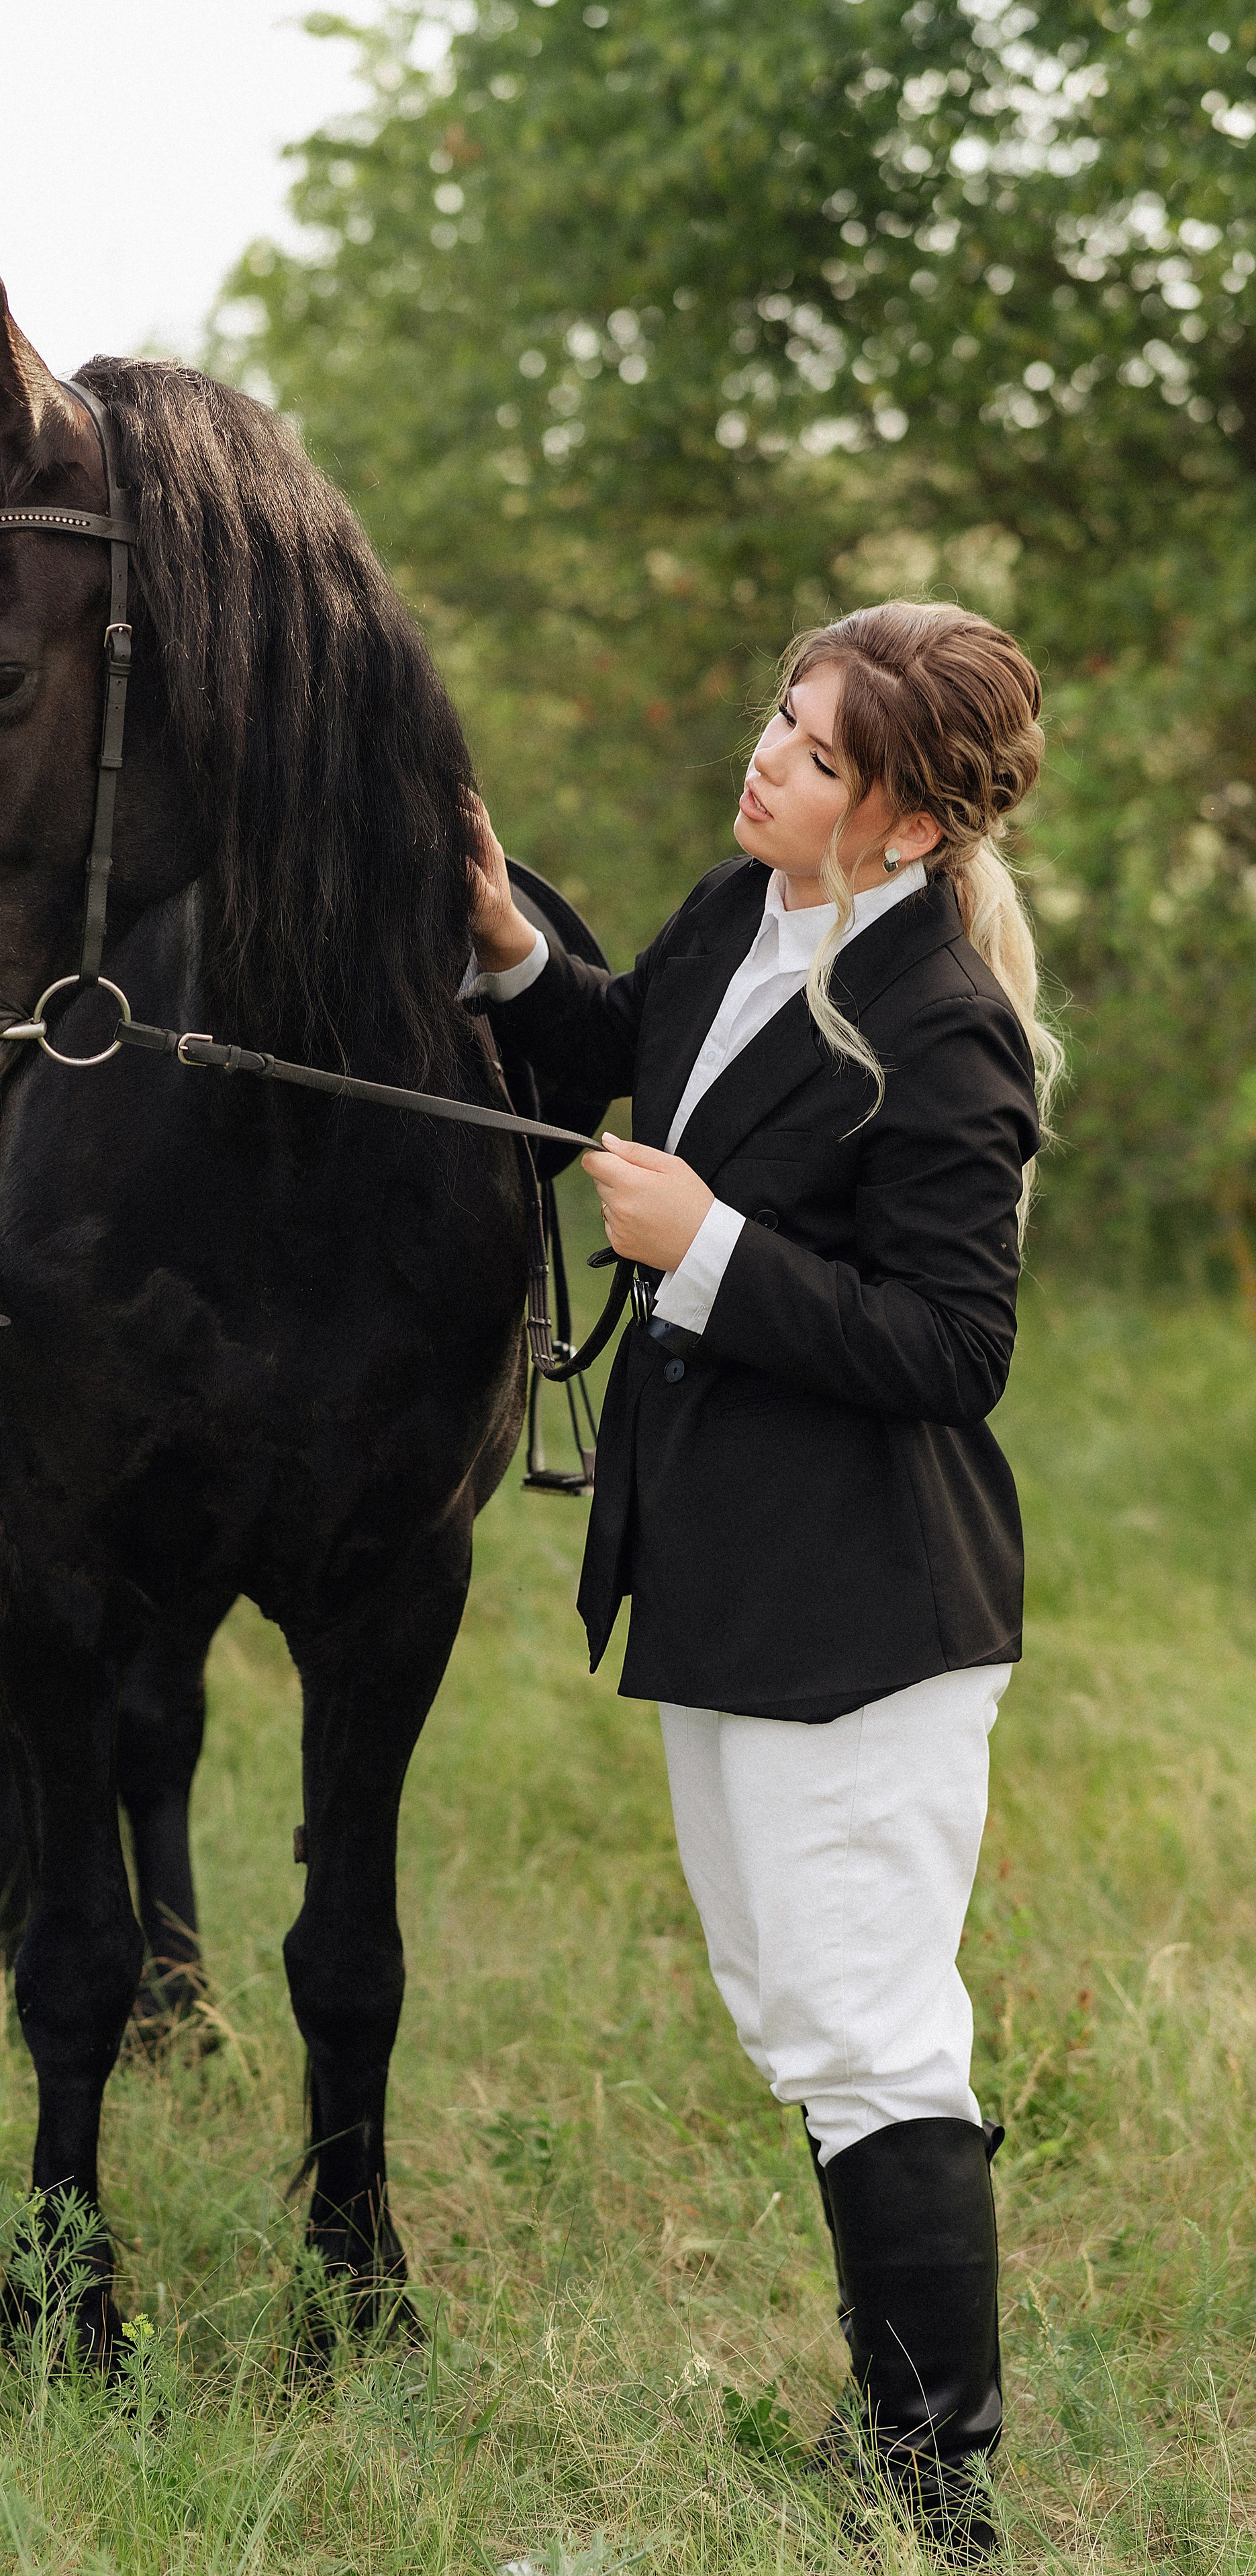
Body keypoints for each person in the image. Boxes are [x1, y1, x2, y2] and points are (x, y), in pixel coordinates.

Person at [469, 601, 1062, 2560]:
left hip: (868, 1613)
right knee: (792, 2009)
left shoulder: (946, 1032)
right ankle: (892, 2441)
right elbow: (619, 1050)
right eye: (777, 722)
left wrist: (710, 1247)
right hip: (734, 1573)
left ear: (902, 826)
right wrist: (510, 945)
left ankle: (940, 2488)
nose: (768, 763)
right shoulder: (742, 913)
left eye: (815, 755)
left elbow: (954, 1348)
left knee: (872, 2025)